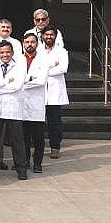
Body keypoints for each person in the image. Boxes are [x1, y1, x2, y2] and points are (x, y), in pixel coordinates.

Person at [0, 41, 28, 180]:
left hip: (13, 108)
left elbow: (16, 86)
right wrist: (6, 83)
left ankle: (21, 169)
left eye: (7, 52)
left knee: (17, 140)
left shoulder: (19, 67)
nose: (5, 55)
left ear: (12, 53)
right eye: (2, 52)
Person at [20, 34, 48, 173]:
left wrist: (23, 83)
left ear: (37, 44)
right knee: (24, 137)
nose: (29, 44)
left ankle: (37, 163)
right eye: (27, 42)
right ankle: (24, 161)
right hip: (21, 103)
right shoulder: (18, 59)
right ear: (23, 43)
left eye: (32, 42)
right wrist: (29, 80)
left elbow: (41, 81)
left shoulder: (43, 60)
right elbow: (14, 79)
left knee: (38, 137)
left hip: (37, 103)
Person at [40, 26, 69, 159]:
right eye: (46, 34)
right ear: (42, 36)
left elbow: (63, 68)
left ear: (55, 36)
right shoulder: (38, 50)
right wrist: (51, 66)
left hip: (54, 93)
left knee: (54, 122)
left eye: (51, 34)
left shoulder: (62, 51)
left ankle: (55, 147)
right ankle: (39, 148)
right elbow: (35, 68)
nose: (49, 37)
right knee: (38, 123)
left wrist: (45, 71)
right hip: (39, 92)